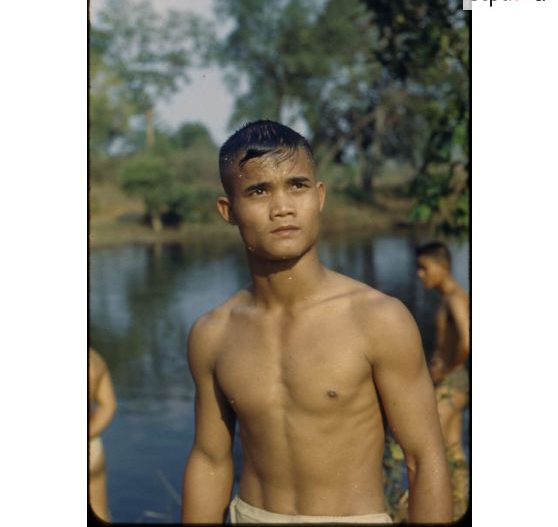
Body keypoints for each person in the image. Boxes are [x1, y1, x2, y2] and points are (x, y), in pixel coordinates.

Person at [181, 120, 452, 524]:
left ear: (319, 196)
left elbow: (424, 457)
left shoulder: (377, 319)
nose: (283, 207)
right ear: (229, 210)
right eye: (259, 191)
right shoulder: (213, 333)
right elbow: (209, 460)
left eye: (297, 186)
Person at [415, 241, 470, 518]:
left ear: (444, 267)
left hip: (453, 381)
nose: (420, 274)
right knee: (452, 445)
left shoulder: (456, 298)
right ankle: (460, 509)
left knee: (429, 441)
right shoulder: (448, 298)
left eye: (425, 268)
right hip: (452, 379)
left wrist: (446, 370)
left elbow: (467, 341)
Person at [89, 347, 117, 521]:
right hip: (92, 446)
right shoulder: (94, 358)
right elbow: (109, 405)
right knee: (99, 511)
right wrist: (91, 432)